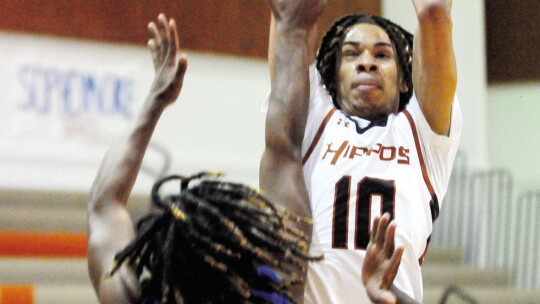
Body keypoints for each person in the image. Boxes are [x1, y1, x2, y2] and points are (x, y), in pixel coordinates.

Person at [87, 2, 327, 302]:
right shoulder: (275, 292)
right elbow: (285, 152)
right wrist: (292, 30)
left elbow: (104, 205)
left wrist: (155, 100)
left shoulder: (133, 297)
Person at [267, 0, 462, 303]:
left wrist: (433, 13)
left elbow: (434, 18)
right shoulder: (316, 120)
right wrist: (288, 19)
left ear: (404, 79)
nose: (367, 62)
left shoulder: (421, 136)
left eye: (382, 54)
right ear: (334, 74)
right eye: (352, 53)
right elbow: (289, 27)